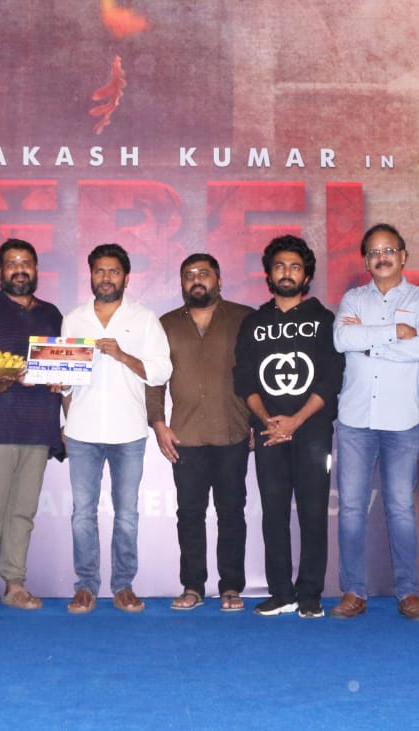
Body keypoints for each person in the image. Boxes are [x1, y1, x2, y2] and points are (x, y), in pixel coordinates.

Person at [330, 224, 419, 621]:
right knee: (351, 508)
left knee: (400, 508)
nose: (382, 257)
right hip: (355, 419)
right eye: (374, 252)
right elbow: (342, 341)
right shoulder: (353, 299)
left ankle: (408, 592)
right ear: (366, 261)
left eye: (389, 250)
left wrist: (371, 344)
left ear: (403, 256)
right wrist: (395, 333)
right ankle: (353, 591)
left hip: (402, 420)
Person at [233, 235, 344, 618]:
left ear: (306, 275)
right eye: (279, 266)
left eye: (295, 267)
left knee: (313, 512)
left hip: (312, 431)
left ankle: (310, 593)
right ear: (268, 273)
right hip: (268, 432)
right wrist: (267, 420)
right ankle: (281, 592)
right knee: (274, 513)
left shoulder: (323, 320)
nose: (287, 273)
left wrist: (296, 421)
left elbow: (331, 379)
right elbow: (244, 378)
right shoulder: (254, 322)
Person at [60, 243, 173, 614]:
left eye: (113, 271)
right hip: (82, 430)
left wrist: (123, 355)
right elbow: (67, 378)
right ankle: (85, 586)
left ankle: (123, 585)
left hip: (128, 431)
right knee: (82, 514)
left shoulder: (144, 318)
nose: (106, 277)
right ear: (91, 275)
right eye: (99, 271)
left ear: (126, 277)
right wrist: (59, 387)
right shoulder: (74, 318)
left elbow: (161, 371)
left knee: (126, 515)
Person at [0, 238, 64, 613]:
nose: (20, 269)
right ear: (0, 271)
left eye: (26, 263)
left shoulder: (52, 314)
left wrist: (61, 381)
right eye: (12, 263)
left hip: (39, 428)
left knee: (22, 512)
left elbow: (60, 367)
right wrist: (15, 371)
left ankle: (15, 584)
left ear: (36, 269)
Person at [149, 253, 255, 612]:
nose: (197, 280)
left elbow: (258, 374)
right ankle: (192, 586)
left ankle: (231, 587)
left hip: (233, 432)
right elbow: (155, 379)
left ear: (219, 280)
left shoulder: (244, 318)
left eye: (204, 274)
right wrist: (158, 423)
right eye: (189, 275)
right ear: (182, 283)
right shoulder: (166, 324)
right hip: (186, 436)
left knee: (231, 513)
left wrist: (256, 422)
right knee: (190, 514)